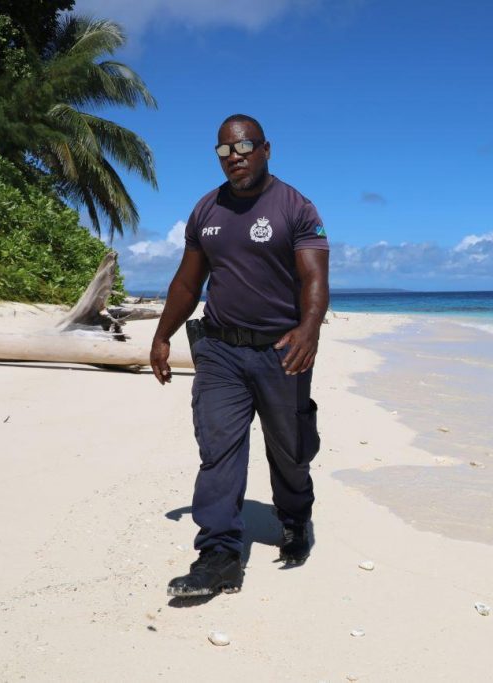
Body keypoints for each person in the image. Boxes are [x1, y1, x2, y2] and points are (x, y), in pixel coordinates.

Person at [149, 114, 329, 597]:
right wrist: (162, 334)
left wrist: (309, 328)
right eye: (224, 150)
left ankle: (294, 518)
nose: (235, 157)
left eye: (245, 146)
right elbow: (188, 283)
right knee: (218, 449)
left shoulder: (296, 207)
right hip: (221, 350)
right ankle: (219, 554)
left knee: (290, 450)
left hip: (281, 351)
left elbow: (314, 278)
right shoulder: (206, 211)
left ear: (267, 148)